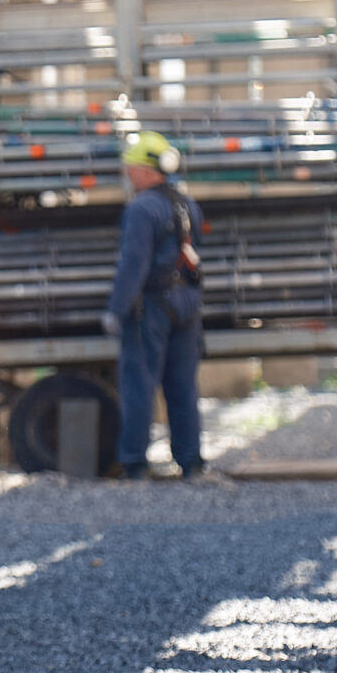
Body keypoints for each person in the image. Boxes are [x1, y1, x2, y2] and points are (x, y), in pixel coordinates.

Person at [99, 130, 207, 480]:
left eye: (131, 167)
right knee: (183, 385)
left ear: (147, 171)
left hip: (152, 308)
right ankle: (190, 463)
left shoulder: (141, 208)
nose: (128, 173)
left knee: (139, 384)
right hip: (187, 306)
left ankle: (134, 464)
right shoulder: (186, 204)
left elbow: (133, 263)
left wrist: (116, 309)